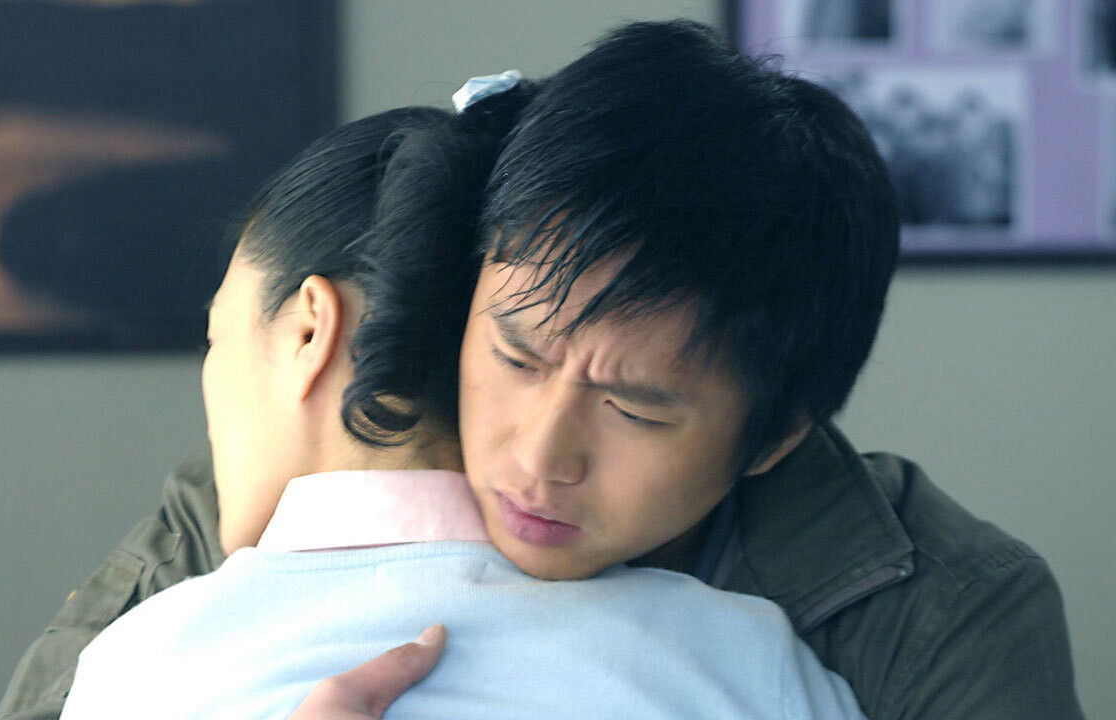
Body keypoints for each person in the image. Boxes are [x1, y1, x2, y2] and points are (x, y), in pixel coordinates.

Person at [0, 19, 1084, 720]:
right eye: (514, 354)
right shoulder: (245, 516)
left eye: (635, 410)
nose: (538, 454)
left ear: (774, 434)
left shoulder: (938, 610)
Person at [56, 81, 865, 719]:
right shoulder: (738, 659)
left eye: (217, 338)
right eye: (521, 357)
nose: (543, 458)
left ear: (310, 332)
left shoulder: (142, 664)